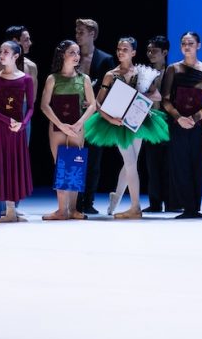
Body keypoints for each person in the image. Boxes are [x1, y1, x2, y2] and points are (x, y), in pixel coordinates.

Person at [84, 37, 169, 219]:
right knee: (130, 162)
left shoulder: (141, 73)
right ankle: (135, 207)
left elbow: (158, 96)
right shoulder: (111, 74)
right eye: (119, 49)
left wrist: (140, 95)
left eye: (125, 49)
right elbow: (98, 103)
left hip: (137, 120)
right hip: (117, 122)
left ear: (133, 52)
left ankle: (116, 197)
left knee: (131, 162)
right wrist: (110, 119)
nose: (120, 52)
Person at [161, 32, 202, 219]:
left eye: (190, 43)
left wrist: (195, 117)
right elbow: (165, 99)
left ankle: (194, 208)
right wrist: (179, 118)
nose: (187, 46)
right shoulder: (173, 69)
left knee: (196, 162)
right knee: (180, 162)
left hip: (197, 122)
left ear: (198, 45)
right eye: (183, 43)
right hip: (177, 121)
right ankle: (185, 207)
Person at [40, 40, 97, 220]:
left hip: (77, 127)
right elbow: (44, 105)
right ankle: (61, 210)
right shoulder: (52, 78)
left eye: (78, 53)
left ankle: (72, 209)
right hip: (57, 127)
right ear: (62, 54)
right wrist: (61, 124)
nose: (76, 56)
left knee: (76, 165)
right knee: (62, 166)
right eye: (72, 52)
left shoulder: (84, 78)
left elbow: (93, 105)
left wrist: (79, 123)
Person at [0, 40, 34, 222]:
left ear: (15, 56)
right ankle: (8, 210)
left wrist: (23, 124)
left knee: (15, 164)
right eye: (0, 51)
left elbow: (31, 107)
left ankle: (12, 210)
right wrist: (7, 120)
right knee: (2, 164)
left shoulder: (26, 79)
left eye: (5, 52)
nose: (1, 55)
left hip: (17, 129)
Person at [74, 18, 116, 214]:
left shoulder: (105, 59)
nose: (78, 35)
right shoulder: (71, 56)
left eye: (81, 32)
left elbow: (112, 89)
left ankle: (88, 201)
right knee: (73, 156)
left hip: (96, 116)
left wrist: (95, 105)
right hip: (72, 115)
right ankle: (73, 201)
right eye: (77, 31)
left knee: (92, 160)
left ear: (93, 34)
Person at [0, 25, 38, 141]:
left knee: (21, 150)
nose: (30, 43)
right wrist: (0, 116)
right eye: (26, 40)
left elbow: (32, 98)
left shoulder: (31, 66)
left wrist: (22, 121)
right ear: (15, 41)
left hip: (22, 115)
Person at [142, 35, 179, 213]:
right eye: (148, 50)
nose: (150, 53)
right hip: (149, 121)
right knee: (152, 164)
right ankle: (155, 202)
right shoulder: (143, 73)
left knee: (170, 164)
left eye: (154, 51)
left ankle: (172, 202)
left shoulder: (173, 72)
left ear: (165, 52)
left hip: (168, 121)